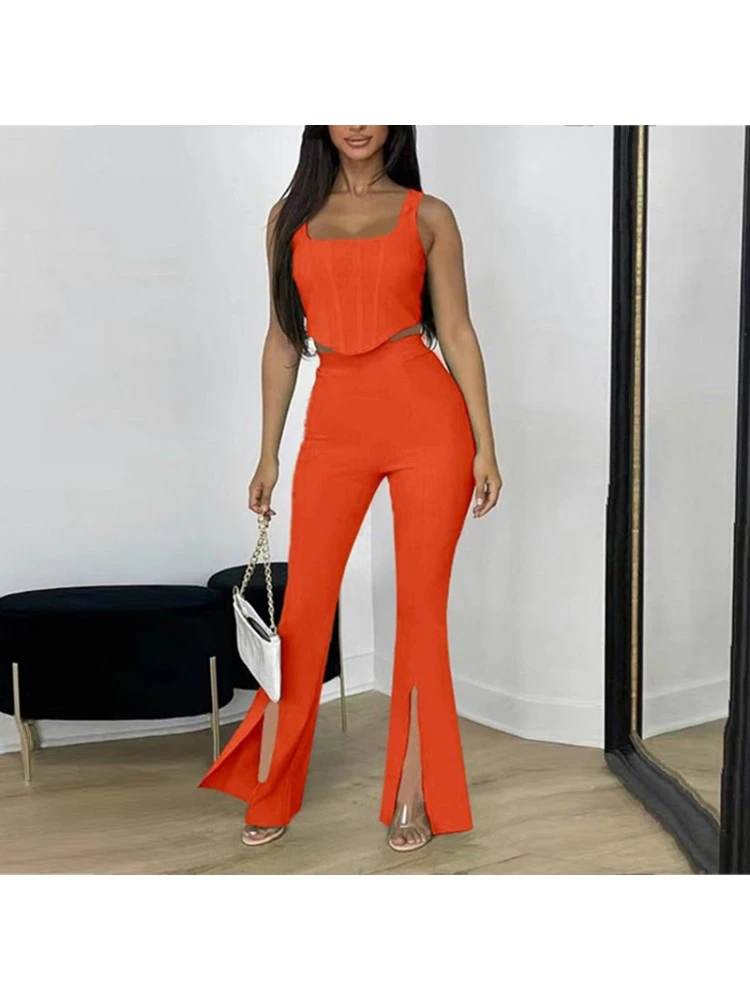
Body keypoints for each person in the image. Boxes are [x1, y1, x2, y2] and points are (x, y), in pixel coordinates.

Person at [199, 125, 502, 853]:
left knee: (421, 613)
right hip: (335, 422)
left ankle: (412, 794)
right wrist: (267, 454)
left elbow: (457, 331)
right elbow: (282, 340)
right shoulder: (288, 217)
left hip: (429, 422)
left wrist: (486, 444)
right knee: (304, 610)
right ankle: (273, 786)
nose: (359, 122)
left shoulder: (429, 216)